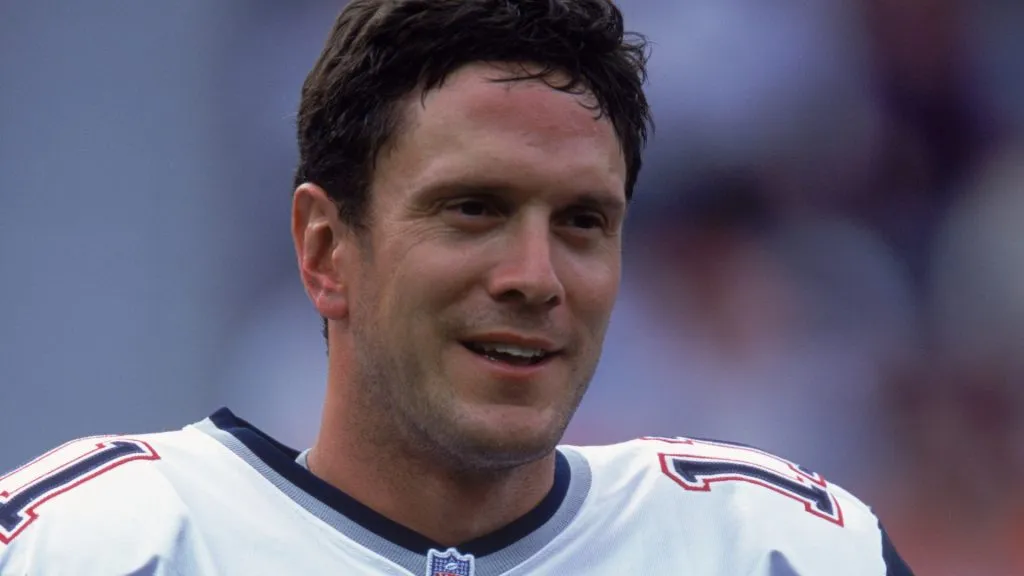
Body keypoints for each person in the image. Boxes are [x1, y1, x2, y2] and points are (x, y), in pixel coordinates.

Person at [0, 0, 914, 574]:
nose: (534, 278)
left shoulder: (777, 550)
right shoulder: (87, 547)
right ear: (325, 249)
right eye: (473, 208)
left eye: (582, 222)